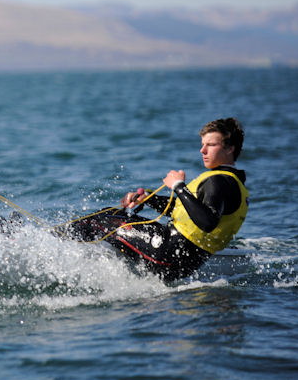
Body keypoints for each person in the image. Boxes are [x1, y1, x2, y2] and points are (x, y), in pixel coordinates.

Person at [66, 117, 249, 282]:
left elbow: (207, 221)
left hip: (167, 252)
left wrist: (178, 187)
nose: (202, 150)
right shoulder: (231, 182)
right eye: (202, 144)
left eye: (211, 145)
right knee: (114, 214)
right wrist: (148, 199)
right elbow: (187, 213)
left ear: (230, 148)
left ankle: (55, 247)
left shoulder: (219, 181)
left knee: (100, 221)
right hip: (184, 263)